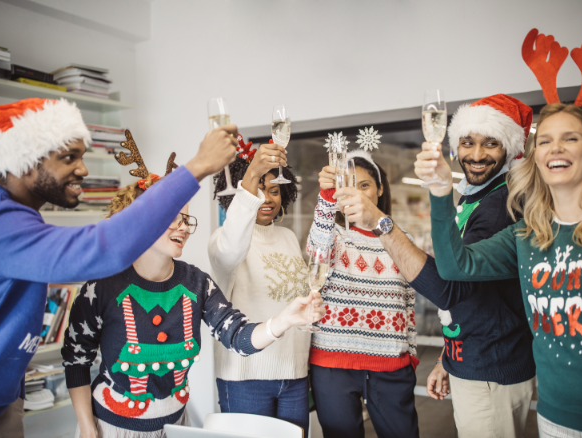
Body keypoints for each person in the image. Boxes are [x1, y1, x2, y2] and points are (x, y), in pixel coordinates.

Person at [0, 98, 237, 438]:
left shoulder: (17, 218)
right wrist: (199, 166)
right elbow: (101, 250)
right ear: (22, 161)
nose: (83, 170)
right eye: (69, 157)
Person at [63, 170, 325, 438]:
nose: (184, 227)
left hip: (175, 426)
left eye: (186, 219)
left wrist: (285, 320)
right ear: (140, 220)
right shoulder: (102, 287)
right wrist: (87, 427)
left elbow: (237, 336)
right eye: (172, 217)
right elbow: (76, 360)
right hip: (109, 428)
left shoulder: (196, 282)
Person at [335, 96, 537, 438]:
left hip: (490, 372)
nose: (476, 154)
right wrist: (448, 357)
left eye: (491, 143)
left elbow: (447, 288)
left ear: (510, 147)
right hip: (472, 362)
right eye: (468, 142)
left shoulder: (501, 204)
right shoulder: (476, 197)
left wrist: (380, 223)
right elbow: (470, 296)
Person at [415, 94, 582, 437]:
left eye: (571, 138)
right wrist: (438, 192)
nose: (556, 148)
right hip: (553, 415)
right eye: (546, 140)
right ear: (534, 155)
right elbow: (455, 267)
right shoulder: (527, 235)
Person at [306, 147, 419, 438]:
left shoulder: (399, 238)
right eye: (348, 187)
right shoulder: (332, 235)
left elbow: (409, 301)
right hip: (332, 362)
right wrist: (326, 198)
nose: (356, 194)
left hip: (390, 362)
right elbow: (315, 253)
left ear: (380, 189)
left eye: (365, 185)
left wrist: (412, 353)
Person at [208, 138, 312, 436]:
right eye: (257, 189)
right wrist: (252, 173)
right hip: (245, 378)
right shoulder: (223, 241)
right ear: (241, 193)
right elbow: (231, 249)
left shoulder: (288, 237)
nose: (266, 198)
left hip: (293, 375)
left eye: (274, 190)